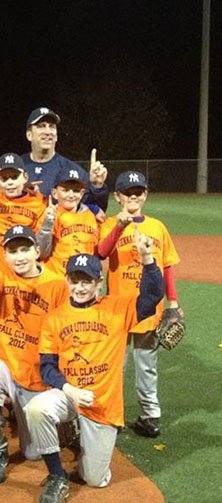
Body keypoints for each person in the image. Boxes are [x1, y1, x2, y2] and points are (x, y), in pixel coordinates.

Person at [25, 241, 164, 503]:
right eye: (75, 281)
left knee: (95, 480)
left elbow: (152, 296)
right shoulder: (55, 318)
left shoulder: (117, 308)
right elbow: (47, 367)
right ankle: (57, 475)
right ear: (67, 281)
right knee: (36, 409)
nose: (79, 287)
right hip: (69, 395)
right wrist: (69, 390)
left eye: (86, 281)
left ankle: (81, 436)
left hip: (102, 405)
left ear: (98, 283)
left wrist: (147, 260)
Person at [0, 225, 69, 484]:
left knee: (33, 454)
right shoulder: (4, 275)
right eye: (12, 251)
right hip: (4, 360)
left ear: (38, 251)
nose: (20, 256)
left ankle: (62, 422)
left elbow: (66, 331)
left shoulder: (57, 284)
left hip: (37, 372)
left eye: (25, 249)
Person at [98, 171, 181, 437]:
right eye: (127, 192)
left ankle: (150, 415)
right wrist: (120, 225)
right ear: (117, 196)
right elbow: (101, 251)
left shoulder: (157, 227)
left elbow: (167, 267)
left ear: (145, 195)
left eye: (138, 192)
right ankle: (114, 414)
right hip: (117, 307)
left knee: (146, 364)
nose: (133, 197)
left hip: (149, 307)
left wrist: (173, 303)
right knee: (115, 365)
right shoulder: (110, 222)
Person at [21, 107, 109, 216]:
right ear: (29, 135)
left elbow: (98, 212)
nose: (48, 132)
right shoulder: (16, 169)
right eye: (41, 126)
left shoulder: (73, 170)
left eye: (52, 127)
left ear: (56, 136)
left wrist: (97, 186)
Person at [0, 152, 47, 274]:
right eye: (4, 178)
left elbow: (40, 241)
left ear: (25, 177)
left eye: (14, 177)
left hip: (23, 269)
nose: (10, 182)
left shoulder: (39, 202)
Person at [37, 164, 99, 277]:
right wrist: (48, 222)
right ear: (55, 193)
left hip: (83, 280)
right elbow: (41, 253)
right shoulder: (50, 215)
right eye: (65, 190)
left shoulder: (90, 216)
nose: (71, 195)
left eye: (76, 191)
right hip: (57, 278)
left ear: (82, 194)